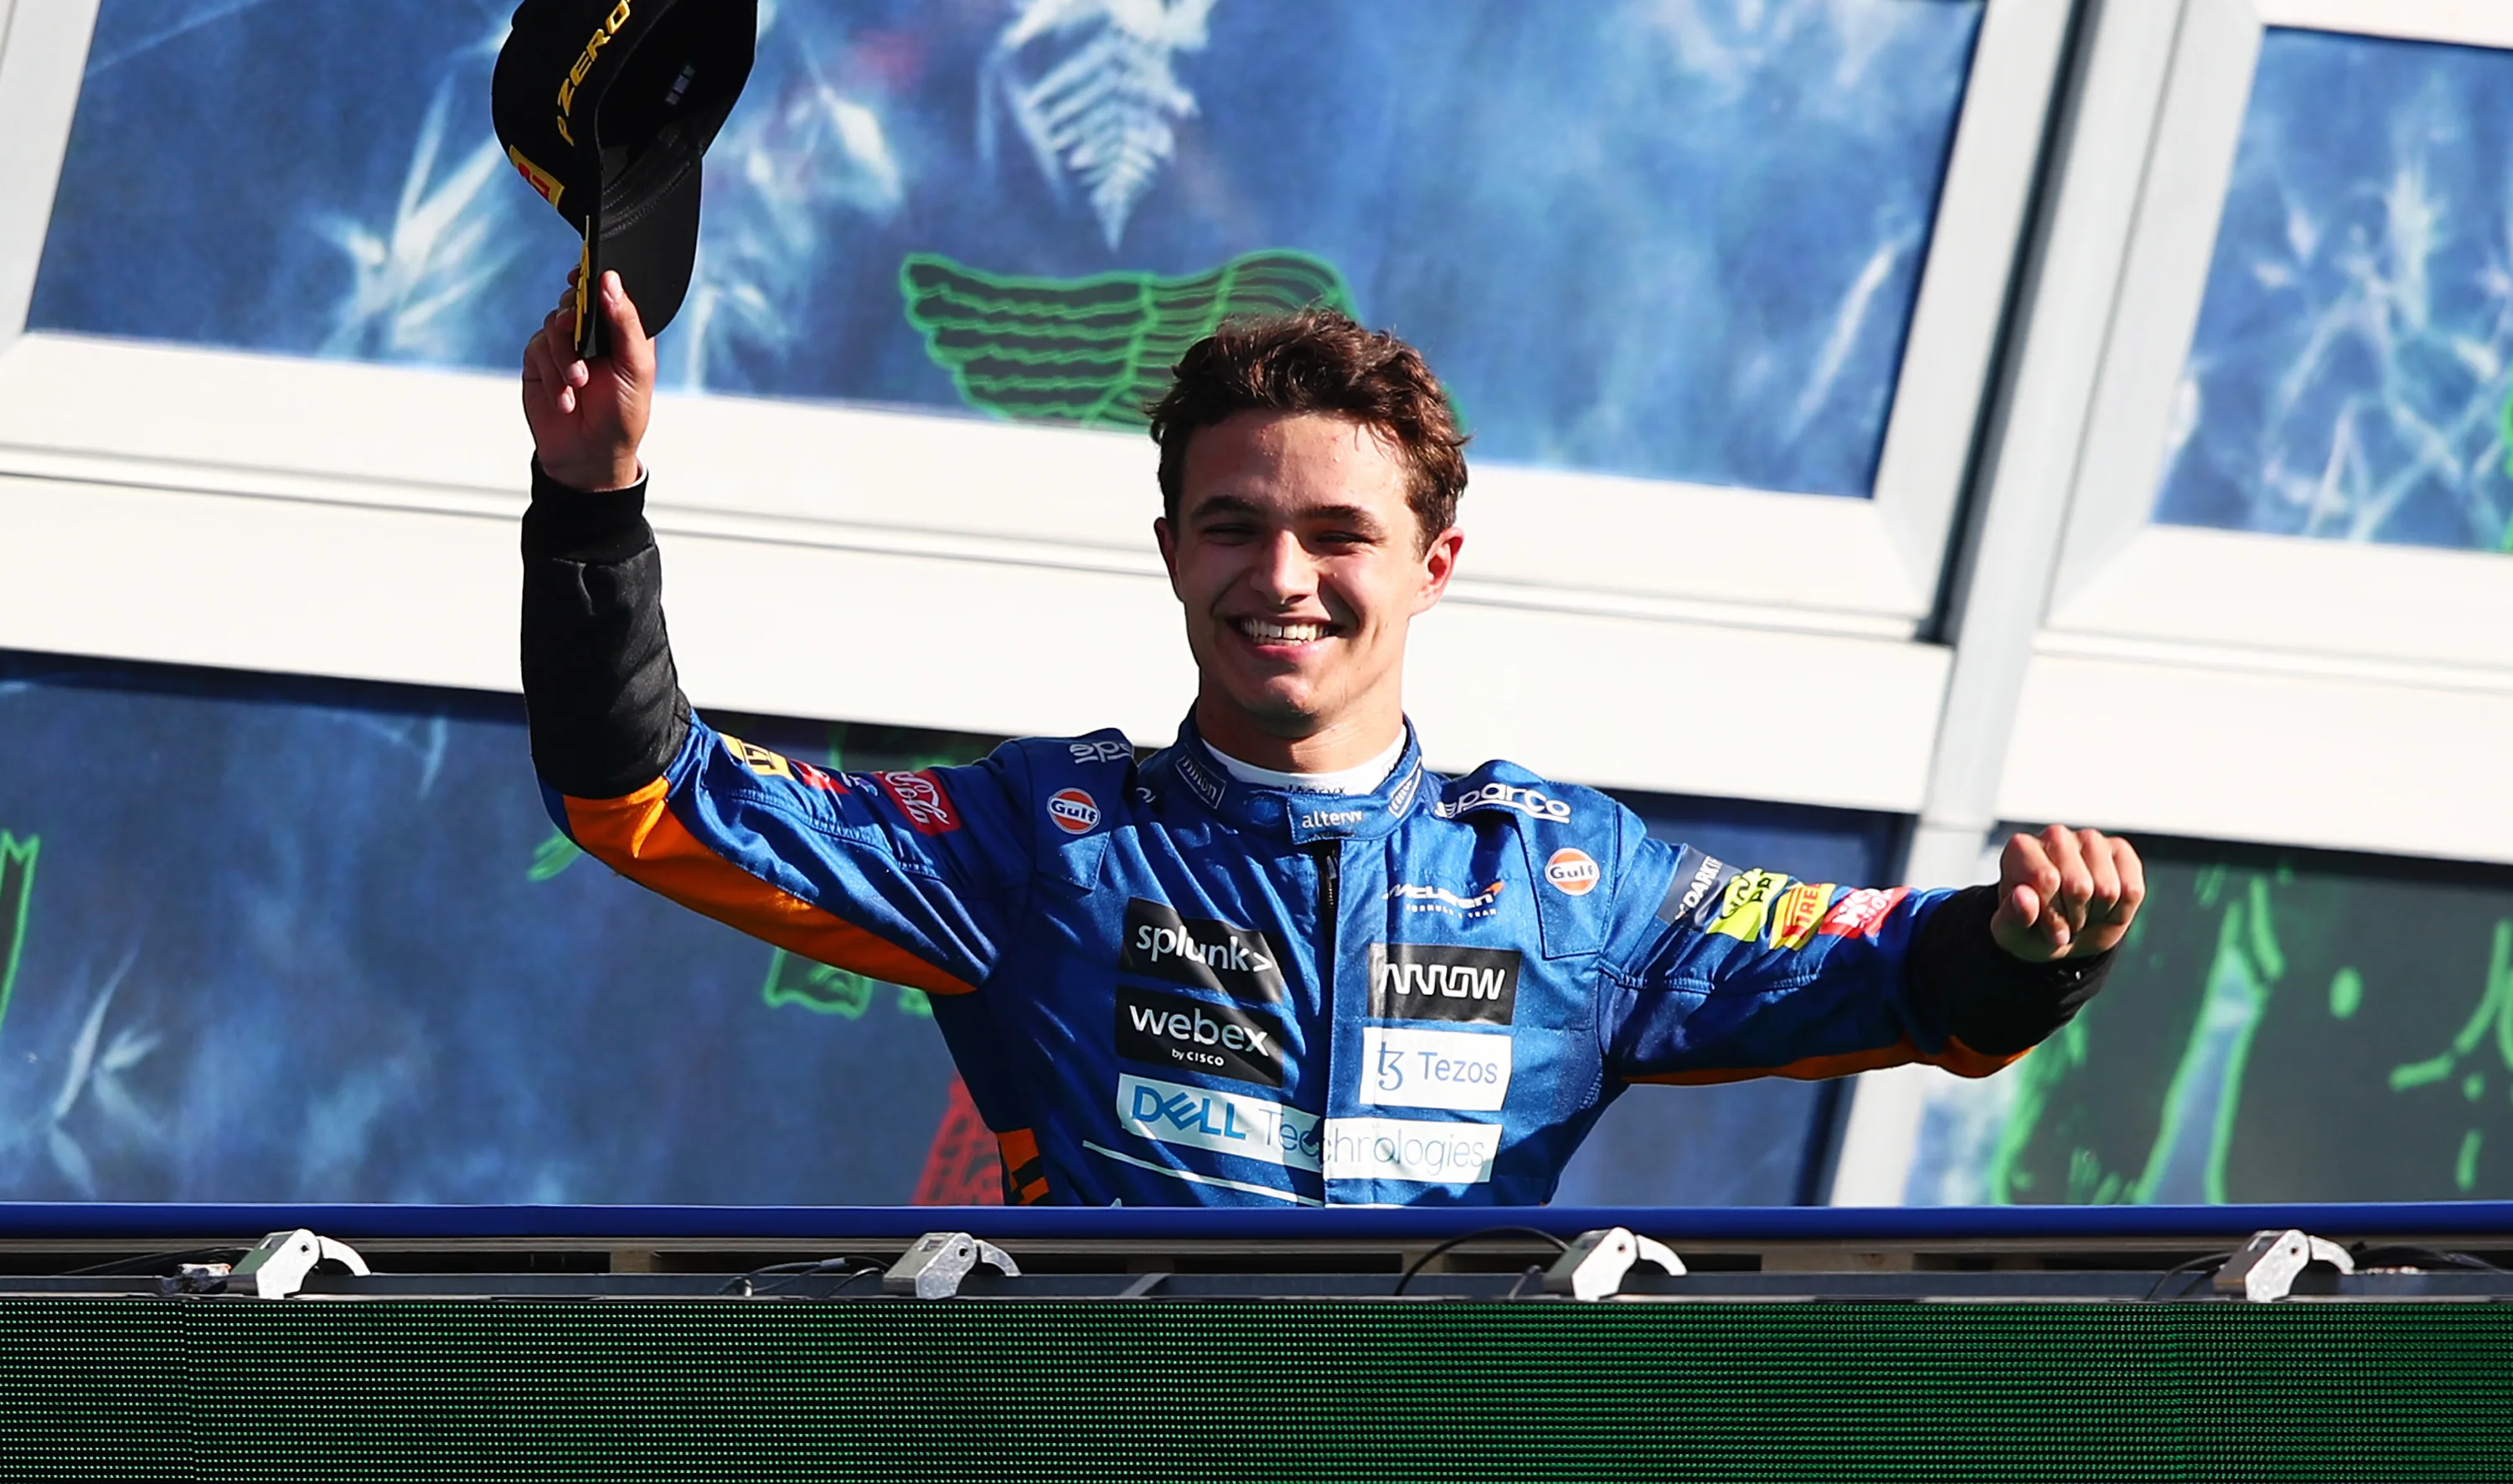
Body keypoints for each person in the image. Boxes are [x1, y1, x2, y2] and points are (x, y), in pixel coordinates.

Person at [519, 271, 2141, 1205]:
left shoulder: (1564, 883)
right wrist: (592, 500)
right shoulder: (1039, 837)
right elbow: (649, 797)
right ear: (1172, 553)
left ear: (1434, 566)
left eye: (1338, 534)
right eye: (1233, 525)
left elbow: (1899, 978)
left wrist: (2024, 947)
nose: (1281, 577)